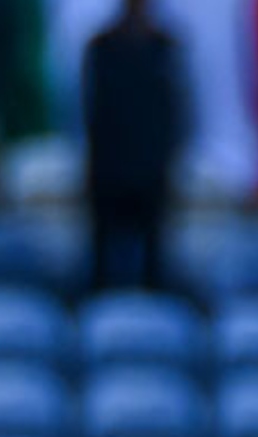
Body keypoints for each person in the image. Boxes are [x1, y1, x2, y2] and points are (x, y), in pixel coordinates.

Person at [82, 0, 187, 290]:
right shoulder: (101, 47)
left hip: (153, 174)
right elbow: (93, 114)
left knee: (156, 271)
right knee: (101, 274)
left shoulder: (165, 48)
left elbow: (175, 114)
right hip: (108, 174)